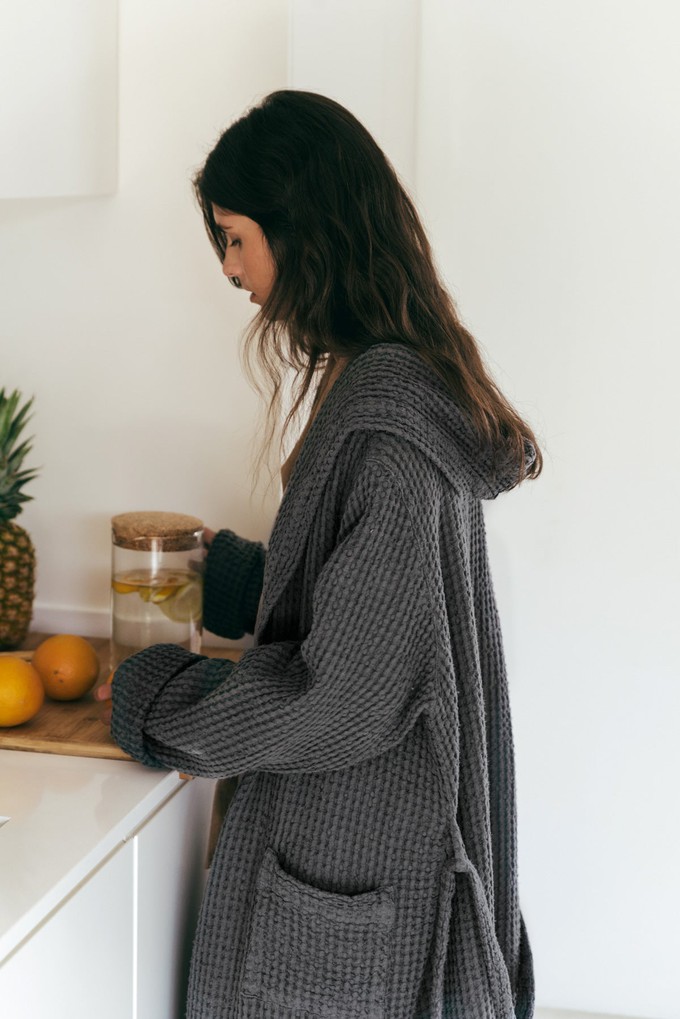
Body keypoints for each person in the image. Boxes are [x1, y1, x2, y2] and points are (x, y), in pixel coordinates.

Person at [96, 89, 540, 1019]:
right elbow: (379, 610)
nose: (227, 267)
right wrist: (234, 577)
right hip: (362, 852)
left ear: (301, 230)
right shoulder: (392, 375)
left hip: (356, 860)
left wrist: (160, 702)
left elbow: (345, 696)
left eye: (233, 236)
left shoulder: (387, 427)